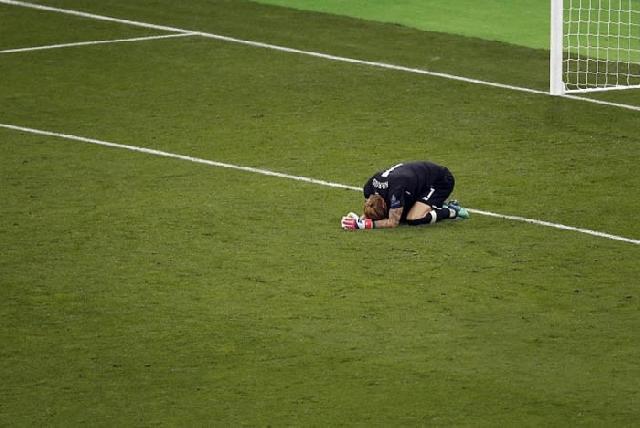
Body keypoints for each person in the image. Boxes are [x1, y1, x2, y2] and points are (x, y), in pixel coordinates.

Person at [341, 161, 470, 230]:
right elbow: (372, 212)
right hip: (416, 184)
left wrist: (365, 225)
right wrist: (359, 220)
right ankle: (430, 205)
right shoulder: (369, 189)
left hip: (440, 181)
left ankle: (451, 211)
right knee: (403, 213)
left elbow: (393, 222)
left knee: (414, 219)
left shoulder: (395, 192)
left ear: (385, 205)